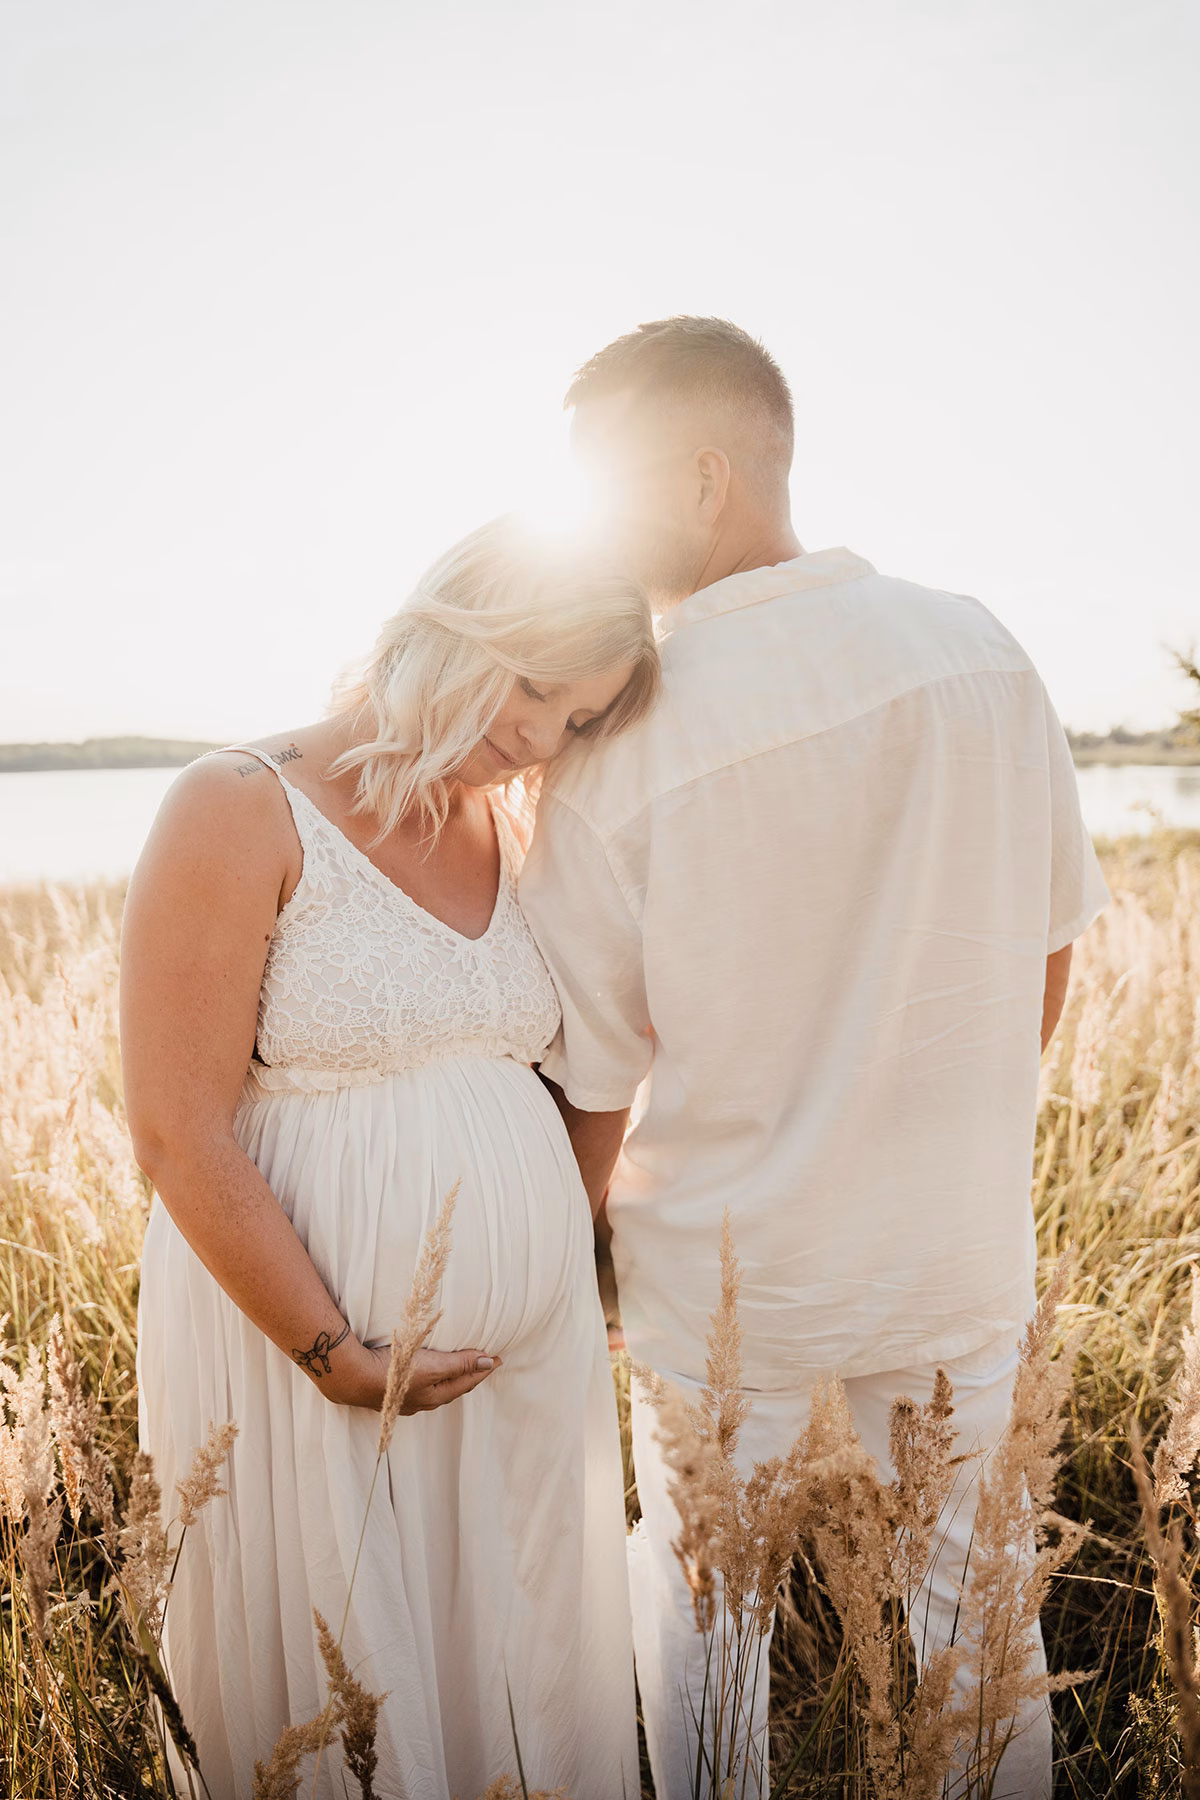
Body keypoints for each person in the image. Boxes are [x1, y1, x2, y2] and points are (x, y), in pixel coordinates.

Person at [519, 317, 1109, 1800]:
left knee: (706, 1615)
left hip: (728, 1277)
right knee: (980, 1617)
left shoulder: (618, 748)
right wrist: (953, 1136)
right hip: (951, 1244)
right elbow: (1047, 950)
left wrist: (566, 1271)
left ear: (705, 477)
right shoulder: (981, 648)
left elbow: (593, 1075)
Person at [122, 516, 658, 1800]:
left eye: (578, 720)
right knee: (348, 1694)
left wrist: (547, 1263)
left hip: (520, 1374)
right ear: (451, 624)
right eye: (536, 687)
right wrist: (332, 1353)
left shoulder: (522, 836)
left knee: (521, 1683)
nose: (543, 736)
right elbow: (175, 1126)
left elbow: (583, 1073)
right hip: (308, 1356)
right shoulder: (237, 804)